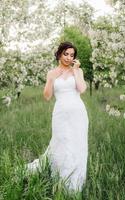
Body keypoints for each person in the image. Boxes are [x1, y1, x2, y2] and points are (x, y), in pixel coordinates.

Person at [26, 41, 89, 193]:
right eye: (66, 54)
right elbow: (47, 96)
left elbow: (82, 89)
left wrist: (75, 71)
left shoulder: (77, 71)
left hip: (78, 113)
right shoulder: (52, 73)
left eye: (72, 55)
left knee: (77, 144)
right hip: (60, 113)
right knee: (61, 143)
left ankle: (75, 183)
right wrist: (51, 79)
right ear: (59, 54)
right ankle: (60, 179)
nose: (68, 57)